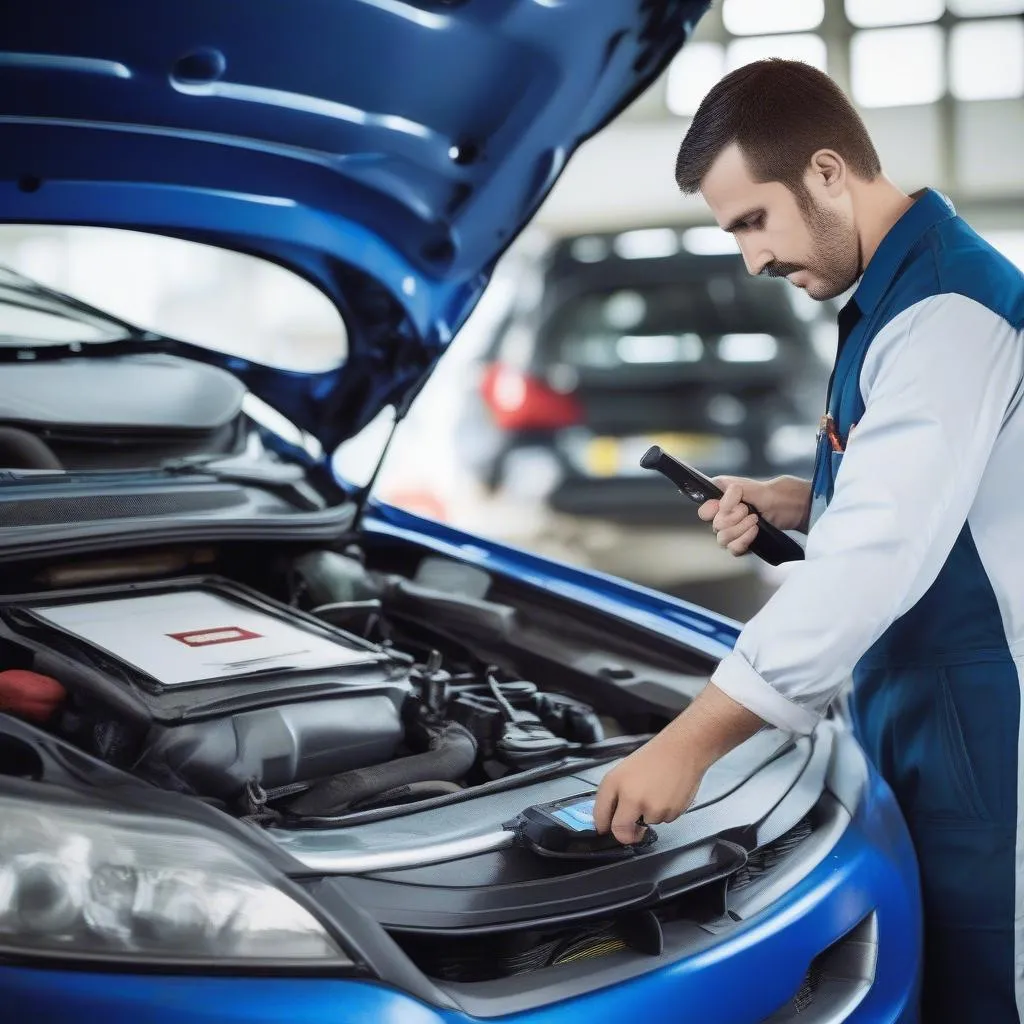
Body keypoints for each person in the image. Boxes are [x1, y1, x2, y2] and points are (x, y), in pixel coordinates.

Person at [592, 58, 1024, 1021]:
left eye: (754, 221)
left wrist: (689, 744)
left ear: (828, 172)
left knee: (985, 983)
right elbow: (929, 492)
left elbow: (875, 560)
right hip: (922, 702)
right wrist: (805, 500)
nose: (750, 258)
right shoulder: (888, 294)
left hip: (991, 725)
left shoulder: (945, 308)